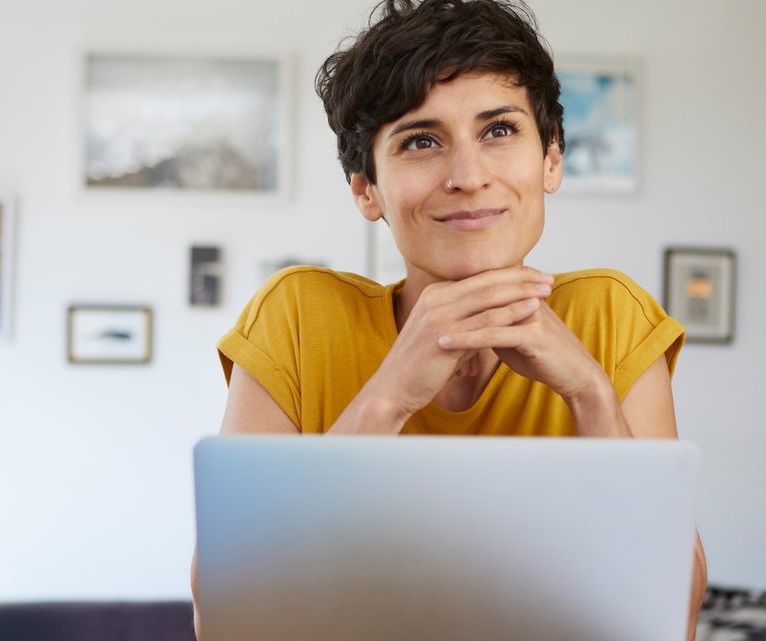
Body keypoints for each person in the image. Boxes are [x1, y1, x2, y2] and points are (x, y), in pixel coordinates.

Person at [191, 0, 707, 638]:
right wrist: (389, 396)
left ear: (551, 159)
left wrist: (590, 393)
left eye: (499, 131)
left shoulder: (610, 315)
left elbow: (672, 619)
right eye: (421, 141)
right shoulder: (297, 317)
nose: (468, 176)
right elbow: (228, 617)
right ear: (366, 189)